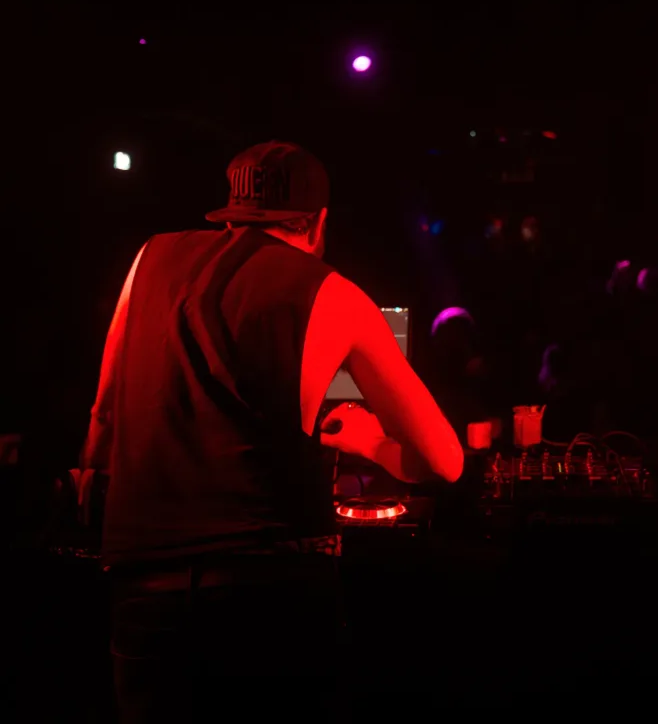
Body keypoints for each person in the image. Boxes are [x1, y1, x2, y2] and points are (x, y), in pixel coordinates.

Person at [80, 141, 463, 723]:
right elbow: (444, 462)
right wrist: (366, 441)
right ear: (318, 222)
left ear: (231, 210)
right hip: (272, 589)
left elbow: (104, 411)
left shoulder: (149, 258)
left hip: (146, 587)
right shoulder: (334, 292)